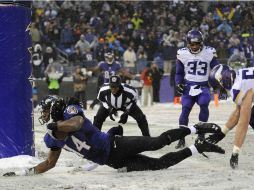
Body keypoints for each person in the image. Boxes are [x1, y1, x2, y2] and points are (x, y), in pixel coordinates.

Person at [3, 98, 225, 176]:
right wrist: (28, 172)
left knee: (158, 143)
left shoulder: (70, 112)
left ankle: (195, 128)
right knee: (160, 165)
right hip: (112, 161)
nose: (42, 116)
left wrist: (55, 123)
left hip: (116, 144)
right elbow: (50, 163)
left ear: (53, 109)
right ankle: (198, 148)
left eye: (44, 111)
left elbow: (77, 123)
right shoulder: (52, 137)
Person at [175, 30, 220, 149]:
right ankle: (181, 138)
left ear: (201, 43)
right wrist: (179, 83)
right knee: (185, 110)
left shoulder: (209, 52)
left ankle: (201, 135)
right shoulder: (182, 53)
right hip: (188, 86)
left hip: (203, 86)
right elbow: (179, 72)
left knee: (204, 104)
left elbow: (217, 68)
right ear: (188, 44)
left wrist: (218, 81)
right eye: (192, 44)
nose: (194, 47)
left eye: (197, 44)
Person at [206, 64, 254, 169]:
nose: (219, 91)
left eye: (218, 87)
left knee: (251, 116)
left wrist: (235, 152)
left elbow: (244, 120)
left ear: (224, 78)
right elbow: (238, 112)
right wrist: (222, 133)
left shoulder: (238, 87)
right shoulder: (241, 78)